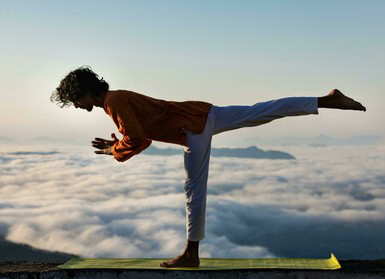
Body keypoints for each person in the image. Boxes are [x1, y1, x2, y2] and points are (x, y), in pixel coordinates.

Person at [51, 66, 366, 268]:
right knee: (264, 110)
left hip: (193, 129)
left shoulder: (113, 102)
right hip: (204, 113)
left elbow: (135, 137)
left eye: (75, 100)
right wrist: (116, 147)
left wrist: (113, 150)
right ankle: (326, 100)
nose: (77, 106)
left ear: (83, 92)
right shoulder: (116, 100)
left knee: (194, 191)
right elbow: (141, 139)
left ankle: (191, 254)